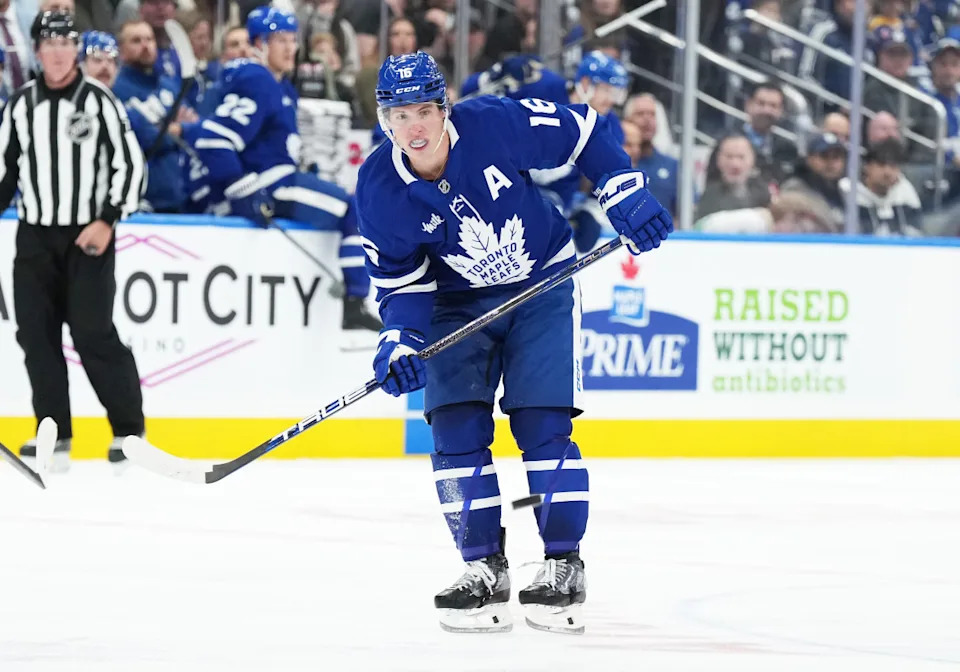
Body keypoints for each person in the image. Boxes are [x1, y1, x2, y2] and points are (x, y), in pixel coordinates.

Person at [355, 51, 672, 634]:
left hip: (540, 285)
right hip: (454, 305)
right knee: (454, 428)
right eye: (400, 115)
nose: (414, 127)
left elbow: (584, 130)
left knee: (542, 423)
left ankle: (562, 565)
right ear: (385, 121)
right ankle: (482, 568)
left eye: (424, 110)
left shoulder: (494, 123)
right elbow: (400, 283)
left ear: (444, 107)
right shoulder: (378, 187)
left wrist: (622, 190)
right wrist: (399, 341)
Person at [0, 11, 145, 472]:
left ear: (76, 50)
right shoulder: (21, 106)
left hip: (88, 236)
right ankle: (54, 431)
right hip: (35, 238)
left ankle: (129, 430)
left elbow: (130, 166)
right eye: (50, 43)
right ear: (38, 51)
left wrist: (107, 219)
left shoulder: (100, 101)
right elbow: (4, 173)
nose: (59, 52)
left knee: (92, 332)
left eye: (66, 43)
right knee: (35, 335)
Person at [181, 7, 381, 337]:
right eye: (280, 40)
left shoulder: (280, 85)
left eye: (293, 40)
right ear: (260, 44)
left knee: (354, 204)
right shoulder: (257, 80)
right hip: (273, 184)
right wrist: (241, 188)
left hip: (280, 179)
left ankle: (354, 301)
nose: (291, 48)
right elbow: (214, 139)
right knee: (355, 207)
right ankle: (354, 302)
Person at [112, 19, 191, 213]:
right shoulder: (115, 89)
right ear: (121, 49)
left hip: (182, 194)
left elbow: (193, 124)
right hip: (143, 196)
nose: (145, 46)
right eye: (136, 41)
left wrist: (178, 130)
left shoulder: (169, 85)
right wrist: (175, 130)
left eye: (149, 39)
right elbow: (143, 137)